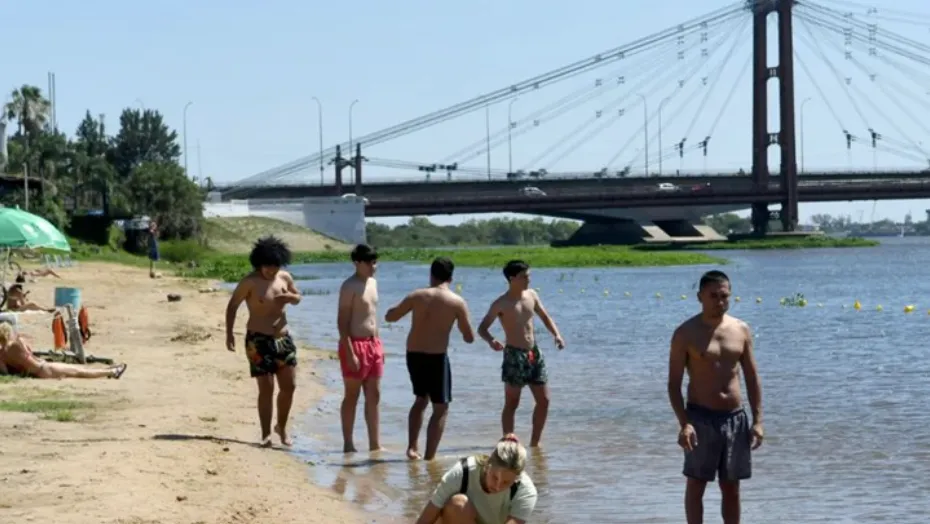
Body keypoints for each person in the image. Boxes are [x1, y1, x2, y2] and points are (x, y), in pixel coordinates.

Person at [667, 270, 763, 524]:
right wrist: (684, 423)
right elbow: (673, 384)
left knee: (731, 487)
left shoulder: (741, 329)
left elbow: (752, 378)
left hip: (735, 417)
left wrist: (758, 421)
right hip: (700, 418)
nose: (719, 302)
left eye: (724, 296)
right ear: (700, 297)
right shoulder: (685, 333)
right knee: (696, 483)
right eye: (713, 296)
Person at [384, 257, 475, 461]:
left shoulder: (417, 296)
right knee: (441, 407)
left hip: (413, 354)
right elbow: (469, 337)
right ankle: (429, 457)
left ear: (431, 275)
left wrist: (392, 309)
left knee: (420, 399)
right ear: (451, 277)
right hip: (436, 357)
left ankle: (411, 447)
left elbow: (390, 316)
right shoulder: (456, 302)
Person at [477, 260, 564, 448]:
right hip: (514, 355)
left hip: (534, 354)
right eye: (525, 277)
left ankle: (535, 443)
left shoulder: (532, 295)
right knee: (512, 403)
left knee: (544, 400)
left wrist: (556, 335)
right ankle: (509, 444)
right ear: (512, 278)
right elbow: (482, 328)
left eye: (529, 276)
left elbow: (545, 316)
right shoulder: (501, 303)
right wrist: (491, 340)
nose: (528, 280)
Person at [225, 236, 301, 448]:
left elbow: (297, 297)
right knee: (265, 389)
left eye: (275, 266)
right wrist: (229, 334)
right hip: (258, 340)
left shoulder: (284, 278)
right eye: (267, 266)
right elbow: (232, 306)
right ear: (258, 263)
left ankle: (282, 427)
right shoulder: (250, 282)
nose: (271, 271)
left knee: (289, 386)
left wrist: (290, 298)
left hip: (283, 339)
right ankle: (266, 433)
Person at [415, 433, 538, 524]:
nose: (497, 486)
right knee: (458, 503)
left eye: (506, 482)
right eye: (494, 477)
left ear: (517, 478)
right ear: (488, 464)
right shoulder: (462, 472)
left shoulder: (526, 491)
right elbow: (426, 518)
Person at [337, 244, 384, 453]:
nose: (373, 266)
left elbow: (373, 316)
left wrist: (380, 348)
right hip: (354, 344)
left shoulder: (373, 283)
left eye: (375, 262)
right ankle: (348, 442)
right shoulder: (349, 286)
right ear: (357, 263)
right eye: (369, 263)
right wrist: (349, 352)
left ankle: (375, 443)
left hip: (373, 344)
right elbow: (342, 322)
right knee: (352, 395)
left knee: (374, 395)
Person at [0, 321, 127, 379]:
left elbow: (5, 372)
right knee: (79, 371)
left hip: (39, 371)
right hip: (43, 367)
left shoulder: (2, 354)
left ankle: (110, 370)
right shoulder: (18, 342)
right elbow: (29, 351)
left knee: (78, 371)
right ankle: (112, 372)